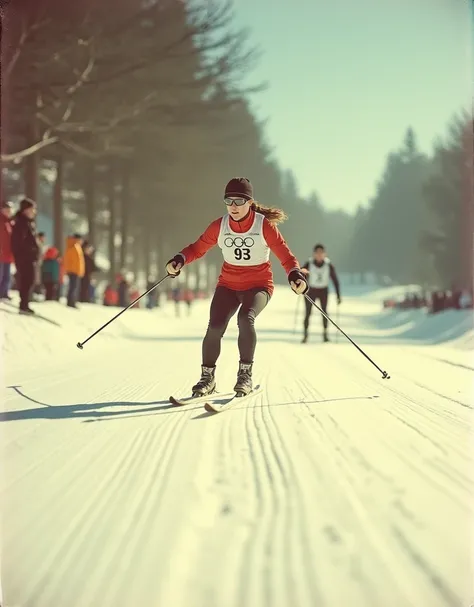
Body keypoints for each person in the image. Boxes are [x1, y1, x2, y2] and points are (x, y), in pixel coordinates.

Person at [166, 177, 308, 396]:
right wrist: (180, 259)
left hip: (259, 286)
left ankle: (245, 376)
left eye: (239, 201)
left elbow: (285, 255)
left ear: (249, 202)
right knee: (215, 325)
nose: (233, 206)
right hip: (228, 286)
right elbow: (197, 248)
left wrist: (294, 274)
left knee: (245, 319)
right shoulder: (220, 226)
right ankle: (207, 378)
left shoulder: (263, 226)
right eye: (228, 201)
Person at [300, 243, 341, 343]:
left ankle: (325, 335)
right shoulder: (309, 263)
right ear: (314, 254)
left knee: (324, 313)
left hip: (323, 291)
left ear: (324, 254)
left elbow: (335, 280)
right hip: (311, 291)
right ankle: (305, 335)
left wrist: (338, 295)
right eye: (317, 253)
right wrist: (301, 286)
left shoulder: (328, 265)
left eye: (321, 253)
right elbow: (301, 275)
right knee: (308, 313)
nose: (319, 255)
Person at [11, 198, 40, 314]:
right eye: (32, 209)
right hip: (24, 258)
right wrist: (29, 251)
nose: (34, 211)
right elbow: (19, 242)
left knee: (29, 280)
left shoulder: (27, 222)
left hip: (28, 257)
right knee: (26, 280)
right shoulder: (21, 223)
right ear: (26, 210)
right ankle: (23, 304)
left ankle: (25, 303)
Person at [63, 234, 85, 308]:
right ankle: (71, 302)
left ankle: (72, 301)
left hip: (75, 270)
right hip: (73, 270)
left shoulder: (76, 246)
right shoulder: (74, 246)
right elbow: (73, 260)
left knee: (74, 287)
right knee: (73, 287)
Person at [0, 200, 14, 299]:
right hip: (1, 253)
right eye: (6, 210)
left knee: (7, 276)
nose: (8, 212)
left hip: (8, 254)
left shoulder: (10, 223)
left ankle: (4, 293)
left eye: (10, 210)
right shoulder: (1, 221)